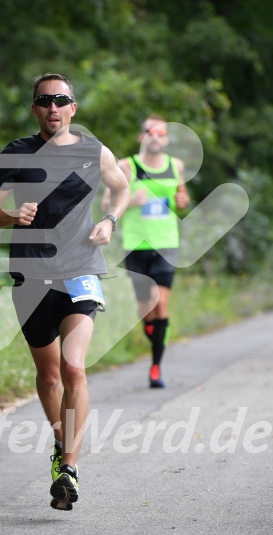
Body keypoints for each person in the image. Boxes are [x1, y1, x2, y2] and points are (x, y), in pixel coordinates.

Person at [0, 73, 130, 510]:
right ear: (34, 110)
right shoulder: (16, 153)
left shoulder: (92, 149)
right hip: (30, 277)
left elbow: (121, 188)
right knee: (48, 377)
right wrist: (11, 215)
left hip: (80, 270)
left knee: (74, 368)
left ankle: (70, 469)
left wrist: (110, 221)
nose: (53, 108)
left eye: (61, 100)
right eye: (45, 101)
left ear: (73, 108)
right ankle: (61, 443)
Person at [102, 114, 190, 389]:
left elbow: (182, 199)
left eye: (160, 132)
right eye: (149, 132)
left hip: (166, 243)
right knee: (145, 310)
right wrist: (129, 201)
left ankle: (155, 367)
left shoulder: (176, 166)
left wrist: (182, 200)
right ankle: (156, 333)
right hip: (136, 245)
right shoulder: (127, 166)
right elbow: (107, 202)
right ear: (142, 137)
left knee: (160, 303)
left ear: (165, 138)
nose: (154, 136)